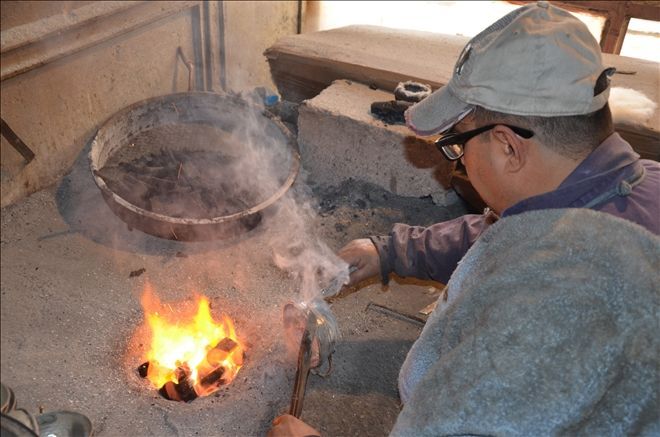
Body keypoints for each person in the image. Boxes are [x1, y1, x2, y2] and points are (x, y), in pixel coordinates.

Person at [270, 2, 660, 435]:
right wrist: (391, 252)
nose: (458, 161)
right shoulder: (619, 188)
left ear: (508, 147)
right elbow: (513, 227)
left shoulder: (554, 305)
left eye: (457, 144)